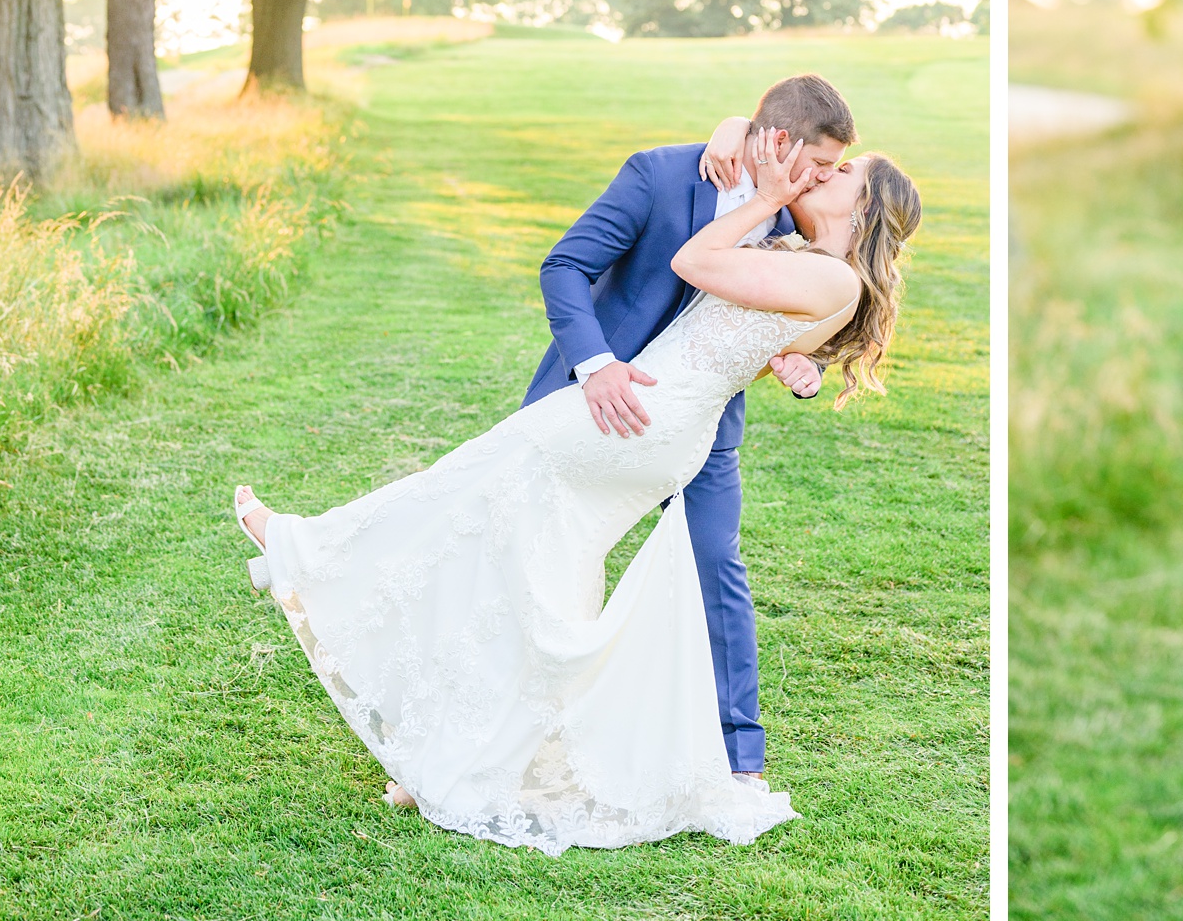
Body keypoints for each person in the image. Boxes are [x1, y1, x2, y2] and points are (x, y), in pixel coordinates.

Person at [230, 129, 923, 853]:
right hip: (660, 424)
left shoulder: (833, 279)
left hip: (637, 414)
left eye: (844, 172)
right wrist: (785, 351)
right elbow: (741, 340)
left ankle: (302, 547)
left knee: (470, 481)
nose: (824, 173)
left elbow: (695, 263)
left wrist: (773, 199)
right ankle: (464, 761)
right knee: (542, 580)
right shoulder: (816, 268)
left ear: (865, 206)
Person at [524, 73, 858, 781]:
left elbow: (809, 304)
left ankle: (739, 757)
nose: (823, 182)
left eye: (832, 173)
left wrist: (805, 365)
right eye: (820, 166)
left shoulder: (793, 213)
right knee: (540, 561)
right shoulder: (661, 174)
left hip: (701, 421)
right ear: (776, 143)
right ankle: (506, 737)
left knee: (716, 569)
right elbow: (566, 265)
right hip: (597, 399)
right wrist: (596, 365)